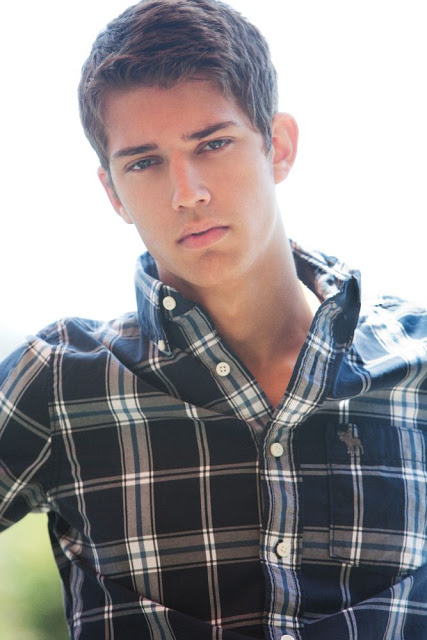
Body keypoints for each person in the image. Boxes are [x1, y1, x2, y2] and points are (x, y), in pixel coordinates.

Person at [1, 0, 426, 638]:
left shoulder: (416, 366)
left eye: (213, 144)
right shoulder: (60, 381)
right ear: (113, 192)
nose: (187, 193)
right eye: (144, 162)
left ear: (279, 147)